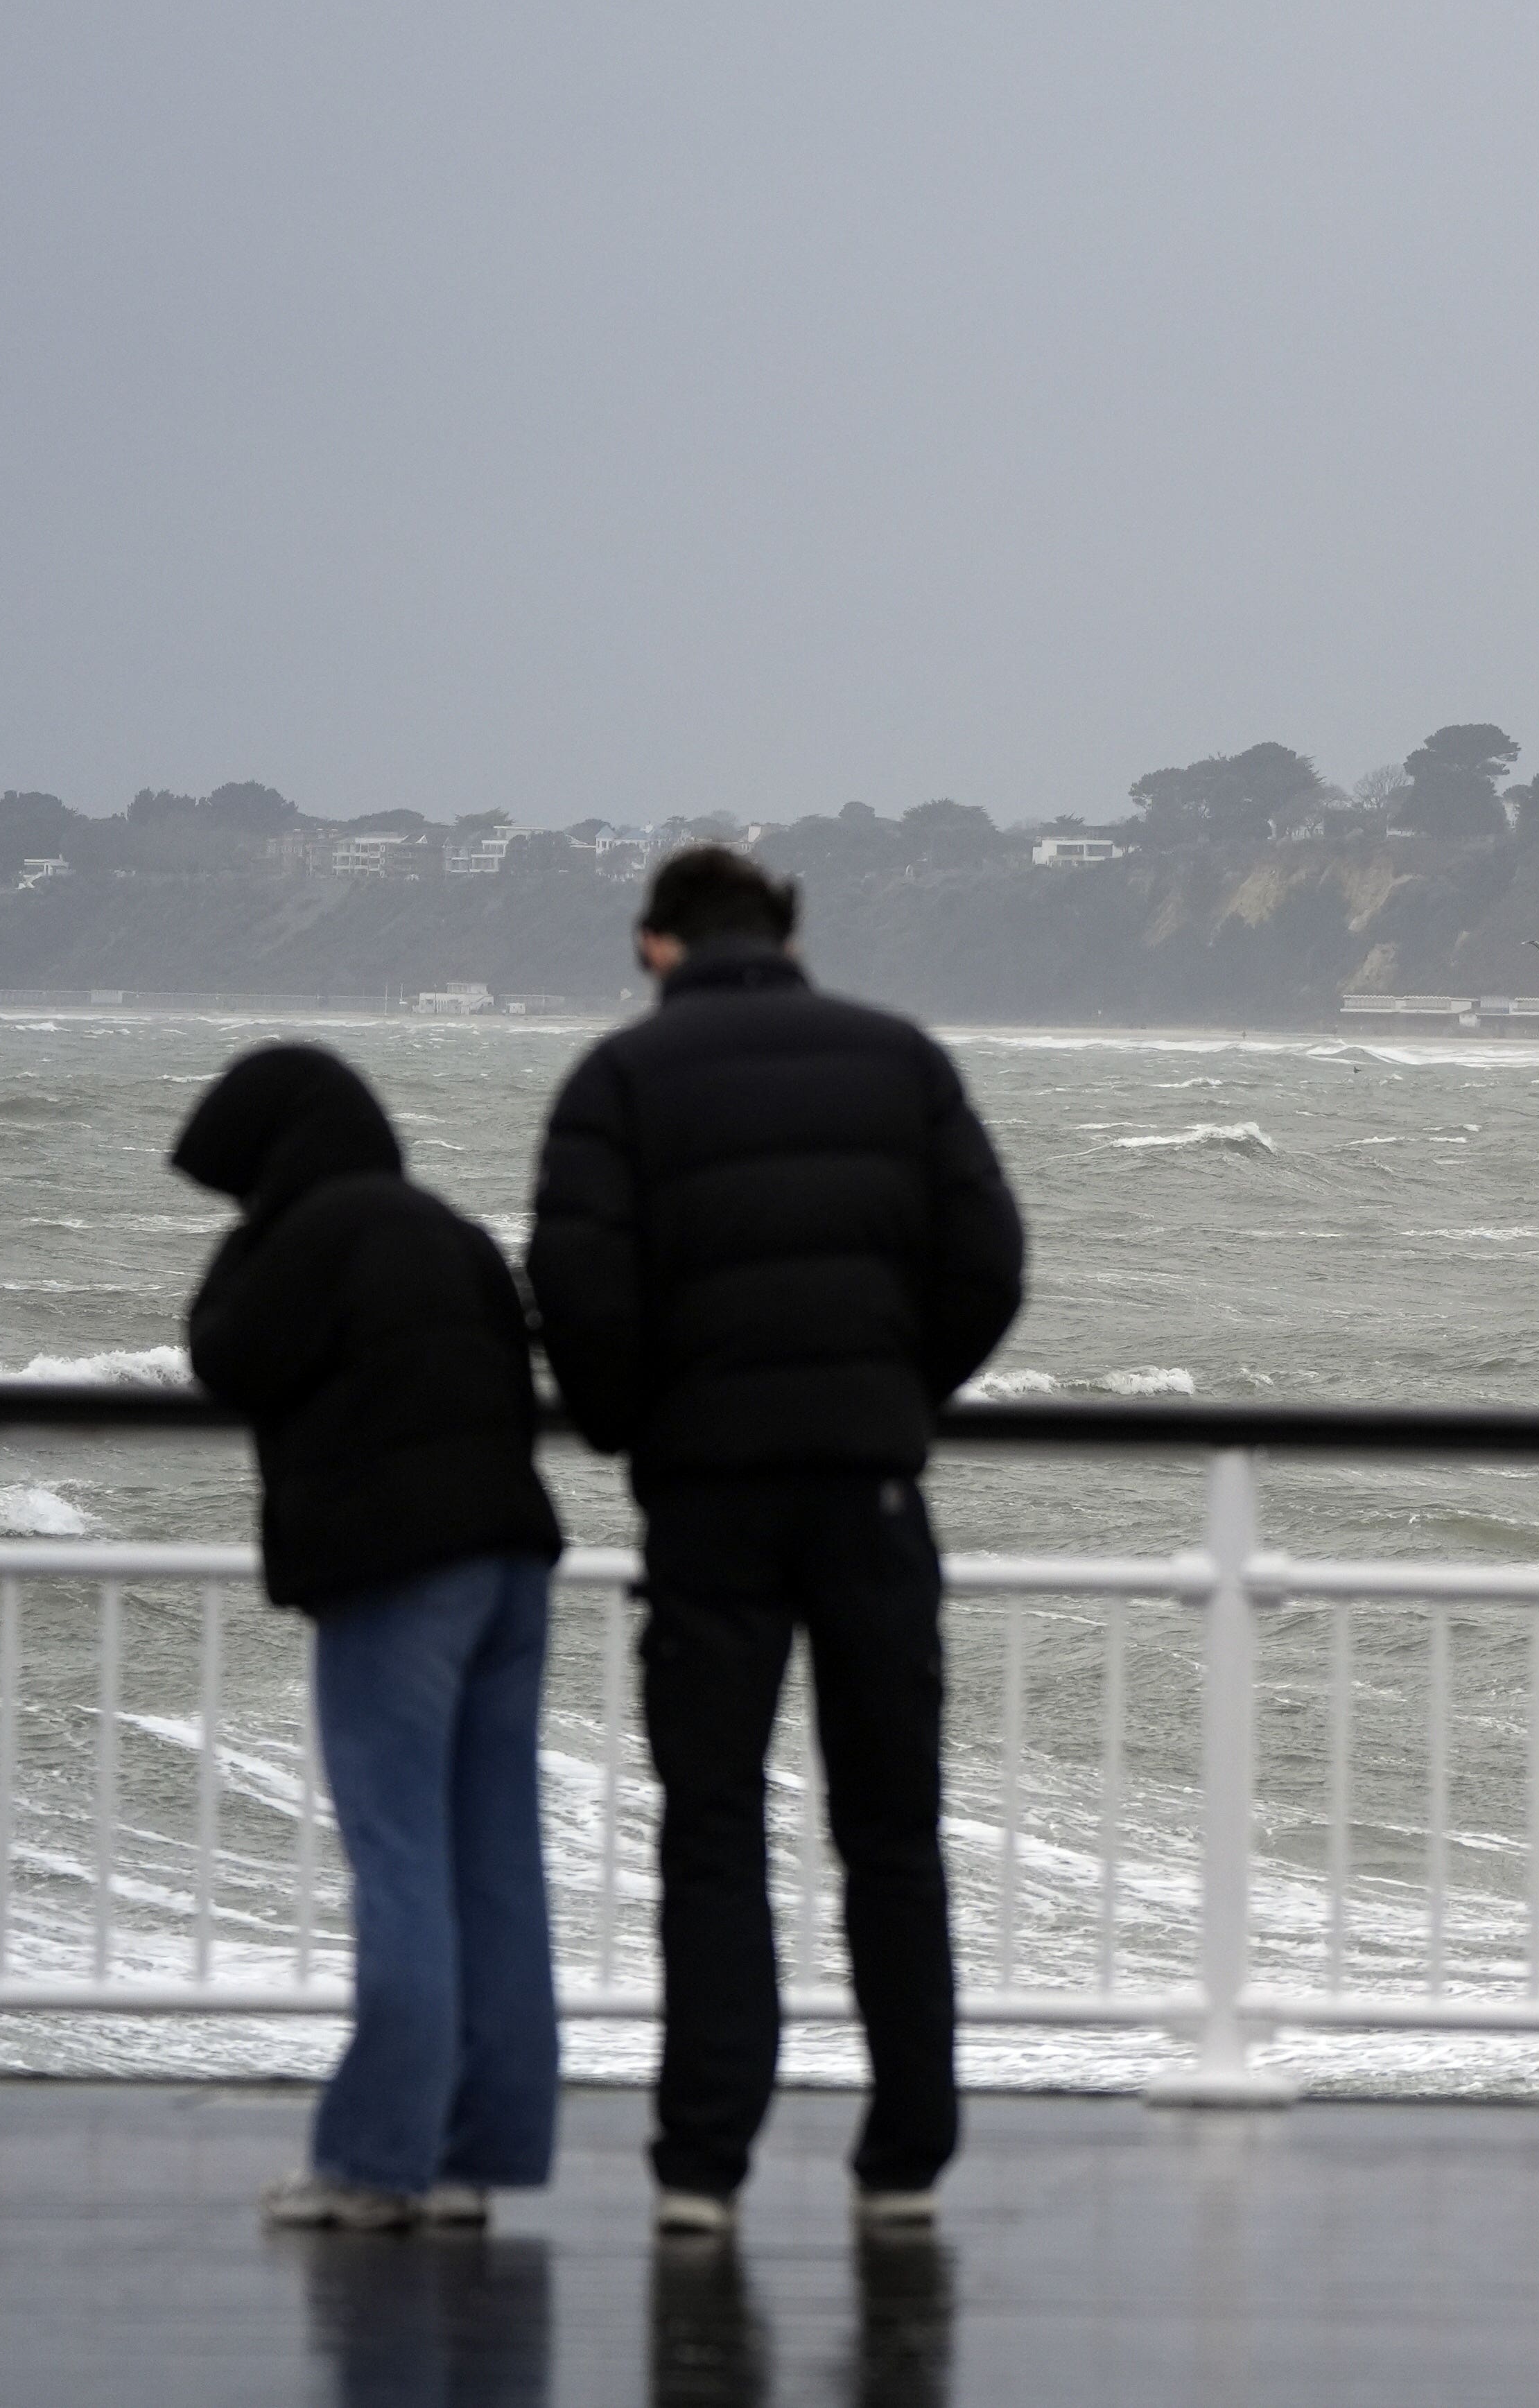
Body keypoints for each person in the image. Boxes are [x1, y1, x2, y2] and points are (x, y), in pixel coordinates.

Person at [528, 844, 1025, 2238]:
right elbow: (990, 1262)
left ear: (653, 946)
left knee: (713, 1828)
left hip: (708, 1502)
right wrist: (894, 1392)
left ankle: (703, 2163)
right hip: (870, 1491)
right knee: (891, 1830)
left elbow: (573, 1282)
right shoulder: (898, 1059)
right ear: (790, 931)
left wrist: (640, 1425)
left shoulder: (617, 1083)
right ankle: (905, 2161)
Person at [173, 1043, 566, 2234]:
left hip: (399, 1577)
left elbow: (223, 1353)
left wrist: (253, 1234)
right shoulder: (447, 1229)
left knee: (398, 1864)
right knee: (494, 1866)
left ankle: (373, 2162)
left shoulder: (307, 1234)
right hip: (513, 1565)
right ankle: (472, 2155)